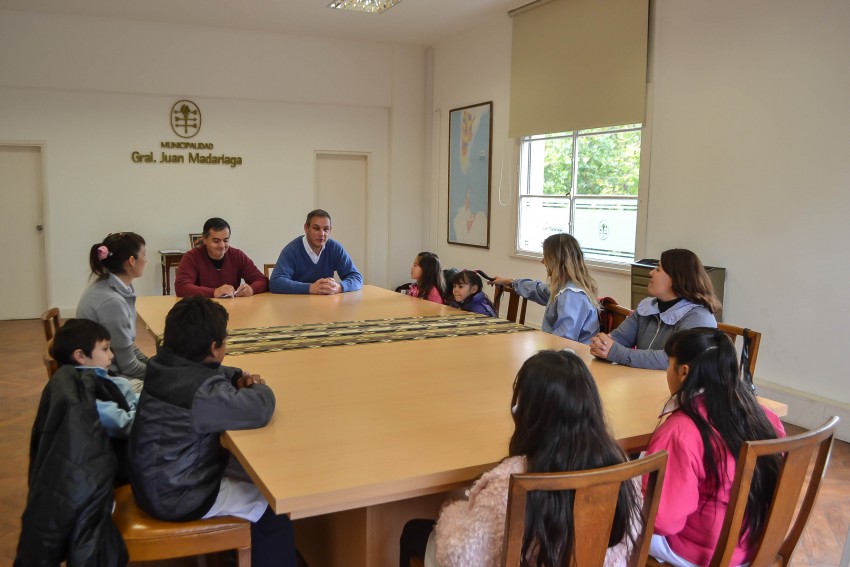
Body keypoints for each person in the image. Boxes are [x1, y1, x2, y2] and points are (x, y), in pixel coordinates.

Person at [402, 350, 641, 567]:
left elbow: (460, 557)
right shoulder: (619, 465)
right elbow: (630, 535)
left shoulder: (511, 480)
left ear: (529, 414)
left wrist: (453, 512)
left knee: (413, 532)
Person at [129, 296, 297, 567]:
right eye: (225, 341)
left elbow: (210, 373)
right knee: (272, 506)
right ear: (213, 348)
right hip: (177, 494)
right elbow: (258, 409)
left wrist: (236, 375)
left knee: (250, 472)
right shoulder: (201, 394)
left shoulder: (161, 365)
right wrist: (258, 385)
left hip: (153, 476)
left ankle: (237, 552)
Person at [644, 328, 785, 567]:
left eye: (670, 364)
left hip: (700, 554)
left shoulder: (682, 431)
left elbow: (663, 521)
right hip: (755, 545)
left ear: (684, 372)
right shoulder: (764, 417)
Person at [589, 248, 721, 370]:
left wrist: (617, 353)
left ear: (675, 279)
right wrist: (602, 344)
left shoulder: (699, 317)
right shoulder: (648, 306)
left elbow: (671, 359)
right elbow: (620, 337)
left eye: (658, 269)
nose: (650, 272)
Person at [489, 233, 599, 343]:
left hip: (568, 356)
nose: (542, 261)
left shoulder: (572, 295)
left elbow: (563, 341)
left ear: (557, 260)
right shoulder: (564, 288)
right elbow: (538, 290)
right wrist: (508, 281)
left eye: (546, 257)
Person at [76, 231, 148, 391]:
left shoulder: (111, 286)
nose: (146, 260)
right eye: (144, 254)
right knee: (168, 390)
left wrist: (151, 363)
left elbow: (126, 343)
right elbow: (129, 367)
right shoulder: (112, 301)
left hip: (111, 368)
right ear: (131, 261)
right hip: (104, 377)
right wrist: (160, 373)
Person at [51, 318, 138, 440]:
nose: (111, 355)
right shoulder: (85, 395)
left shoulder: (82, 377)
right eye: (105, 349)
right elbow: (125, 424)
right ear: (81, 356)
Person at [269, 209, 363, 294]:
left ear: (330, 231)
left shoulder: (334, 248)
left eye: (326, 229)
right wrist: (311, 288)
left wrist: (339, 287)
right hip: (297, 305)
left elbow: (357, 277)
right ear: (306, 228)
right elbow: (275, 282)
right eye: (316, 228)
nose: (322, 234)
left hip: (326, 305)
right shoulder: (291, 250)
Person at [174, 217, 268, 298]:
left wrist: (252, 289)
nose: (222, 245)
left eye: (226, 240)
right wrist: (214, 292)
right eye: (216, 241)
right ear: (204, 239)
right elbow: (181, 287)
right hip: (201, 310)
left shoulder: (237, 255)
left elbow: (262, 280)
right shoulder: (192, 257)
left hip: (233, 309)